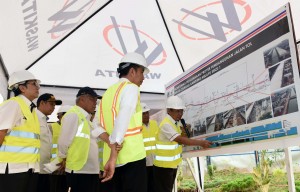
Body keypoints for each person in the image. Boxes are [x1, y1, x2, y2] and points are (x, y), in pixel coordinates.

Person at [100, 52, 150, 192]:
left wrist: (111, 146)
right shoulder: (131, 88)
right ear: (132, 71)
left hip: (111, 161)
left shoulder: (107, 93)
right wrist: (113, 156)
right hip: (132, 158)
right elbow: (123, 116)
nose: (143, 77)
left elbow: (96, 127)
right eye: (142, 72)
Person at [153, 96, 213, 192]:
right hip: (163, 167)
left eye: (181, 111)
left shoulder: (175, 123)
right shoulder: (166, 124)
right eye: (177, 111)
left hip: (171, 165)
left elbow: (180, 140)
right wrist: (201, 143)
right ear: (169, 110)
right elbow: (180, 140)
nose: (180, 114)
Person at [0, 70, 41, 192]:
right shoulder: (14, 104)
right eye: (34, 84)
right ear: (22, 88)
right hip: (12, 168)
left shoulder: (31, 109)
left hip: (28, 168)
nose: (38, 87)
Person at [57, 86, 102, 192]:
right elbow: (64, 141)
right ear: (81, 99)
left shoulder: (87, 119)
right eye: (92, 99)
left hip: (90, 170)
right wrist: (63, 158)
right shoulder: (73, 115)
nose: (95, 103)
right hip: (78, 170)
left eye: (96, 100)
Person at [36, 93, 62, 192]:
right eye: (51, 104)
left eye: (55, 105)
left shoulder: (45, 122)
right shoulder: (34, 118)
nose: (54, 107)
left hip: (46, 169)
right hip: (35, 169)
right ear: (42, 103)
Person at [48, 105, 71, 192]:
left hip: (68, 166)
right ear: (58, 116)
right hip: (54, 166)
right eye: (64, 114)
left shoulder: (73, 129)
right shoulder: (51, 127)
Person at [141, 103, 159, 192]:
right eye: (143, 113)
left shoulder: (155, 124)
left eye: (147, 113)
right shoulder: (137, 128)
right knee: (146, 187)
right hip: (144, 164)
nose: (146, 115)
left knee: (156, 186)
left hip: (156, 162)